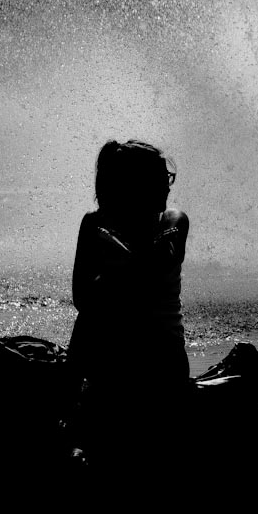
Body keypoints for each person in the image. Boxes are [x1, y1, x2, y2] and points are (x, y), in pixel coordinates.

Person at [67, 139, 190, 468]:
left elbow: (164, 259)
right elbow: (83, 298)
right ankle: (71, 428)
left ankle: (75, 428)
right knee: (89, 323)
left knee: (96, 323)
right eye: (162, 178)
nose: (168, 185)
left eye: (168, 178)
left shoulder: (173, 219)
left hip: (161, 353)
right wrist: (134, 263)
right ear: (138, 185)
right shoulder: (93, 225)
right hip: (114, 352)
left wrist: (117, 271)